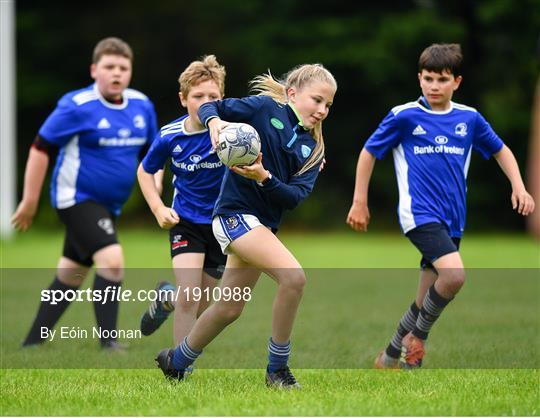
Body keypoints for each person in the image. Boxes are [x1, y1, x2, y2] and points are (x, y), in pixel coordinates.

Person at [346, 43, 535, 369]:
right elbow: (368, 153)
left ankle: (391, 357)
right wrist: (359, 201)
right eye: (429, 78)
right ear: (419, 78)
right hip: (418, 214)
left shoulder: (469, 118)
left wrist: (520, 187)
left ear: (456, 82)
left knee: (426, 297)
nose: (434, 86)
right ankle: (418, 339)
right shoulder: (403, 116)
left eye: (442, 79)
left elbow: (502, 150)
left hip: (453, 218)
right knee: (454, 276)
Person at [154, 63, 337, 388]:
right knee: (294, 278)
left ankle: (176, 360)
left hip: (260, 227)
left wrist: (263, 177)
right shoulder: (265, 109)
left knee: (228, 307)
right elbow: (211, 105)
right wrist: (213, 122)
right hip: (233, 216)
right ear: (293, 94)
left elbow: (293, 197)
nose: (322, 110)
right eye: (317, 100)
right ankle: (277, 369)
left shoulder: (314, 149)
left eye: (328, 105)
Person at [11, 37, 158, 350]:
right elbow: (40, 149)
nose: (116, 73)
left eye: (123, 67)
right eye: (109, 67)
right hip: (75, 198)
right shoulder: (76, 106)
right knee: (112, 260)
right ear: (94, 70)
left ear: (130, 71)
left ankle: (32, 341)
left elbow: (153, 154)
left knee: (72, 272)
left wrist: (156, 184)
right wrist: (30, 201)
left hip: (109, 206)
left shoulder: (141, 105)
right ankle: (109, 344)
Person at [137, 55, 227, 346]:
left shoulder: (233, 133)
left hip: (221, 224)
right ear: (182, 98)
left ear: (222, 99)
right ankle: (177, 367)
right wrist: (157, 207)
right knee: (190, 296)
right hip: (185, 221)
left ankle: (166, 300)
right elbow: (145, 170)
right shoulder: (170, 136)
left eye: (213, 96)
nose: (205, 102)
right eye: (198, 96)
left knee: (200, 305)